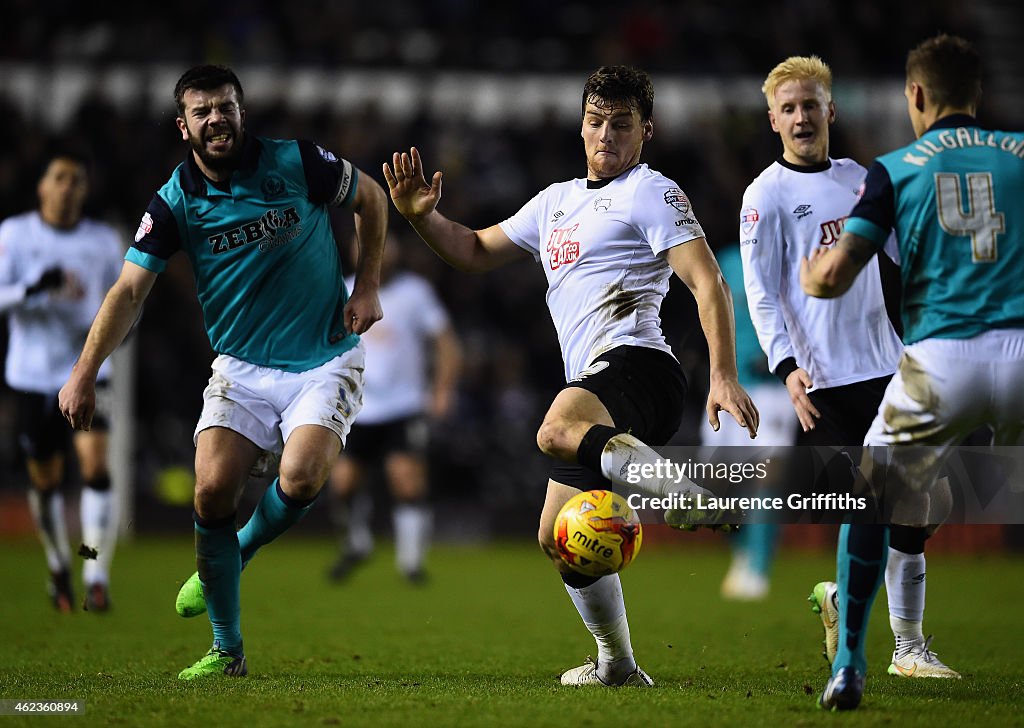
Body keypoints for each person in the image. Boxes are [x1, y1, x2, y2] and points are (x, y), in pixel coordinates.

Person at [384, 65, 759, 687]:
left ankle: (680, 491)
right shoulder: (555, 201)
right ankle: (618, 663)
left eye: (621, 124)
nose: (606, 135)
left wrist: (722, 374)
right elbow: (476, 249)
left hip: (642, 367)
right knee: (562, 537)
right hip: (601, 384)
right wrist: (422, 217)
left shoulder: (651, 191)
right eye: (595, 122)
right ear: (580, 126)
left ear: (646, 131)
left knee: (556, 427)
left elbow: (706, 280)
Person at [58, 65, 389, 680]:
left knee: (304, 472)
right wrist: (83, 372)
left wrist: (366, 284)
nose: (217, 119)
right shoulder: (176, 202)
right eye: (202, 111)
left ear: (242, 111)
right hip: (241, 366)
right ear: (184, 126)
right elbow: (129, 291)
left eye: (226, 107)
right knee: (210, 492)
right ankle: (227, 651)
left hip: (325, 355)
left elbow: (369, 196)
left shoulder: (296, 162)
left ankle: (239, 550)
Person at [801, 34, 1024, 710]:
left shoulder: (895, 169)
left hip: (940, 362)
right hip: (1021, 352)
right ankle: (909, 643)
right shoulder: (1021, 154)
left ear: (917, 96)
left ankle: (849, 665)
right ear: (978, 97)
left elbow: (838, 275)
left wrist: (812, 274)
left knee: (874, 495)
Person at [740, 55, 959, 678]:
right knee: (880, 506)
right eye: (788, 108)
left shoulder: (862, 178)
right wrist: (786, 367)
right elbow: (759, 292)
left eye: (811, 105)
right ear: (773, 120)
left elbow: (901, 259)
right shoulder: (766, 197)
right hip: (824, 385)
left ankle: (842, 594)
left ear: (830, 110)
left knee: (932, 500)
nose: (801, 117)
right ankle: (907, 649)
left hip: (890, 371)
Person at [0, 144, 123, 613]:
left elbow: (125, 297)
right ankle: (57, 564)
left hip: (90, 373)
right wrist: (31, 288)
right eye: (60, 178)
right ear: (42, 186)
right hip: (32, 376)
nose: (69, 188)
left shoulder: (102, 241)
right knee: (46, 480)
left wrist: (116, 337)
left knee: (96, 467)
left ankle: (93, 569)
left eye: (77, 180)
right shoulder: (14, 233)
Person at [327, 233, 462, 584]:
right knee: (342, 484)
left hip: (405, 404)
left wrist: (442, 389)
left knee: (406, 479)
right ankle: (357, 543)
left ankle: (411, 563)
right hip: (356, 407)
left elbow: (447, 344)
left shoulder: (414, 293)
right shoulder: (341, 290)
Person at [702, 241, 797, 601]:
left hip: (771, 387)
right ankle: (742, 552)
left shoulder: (786, 260)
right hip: (725, 386)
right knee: (715, 487)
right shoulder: (723, 260)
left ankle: (758, 567)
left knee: (766, 477)